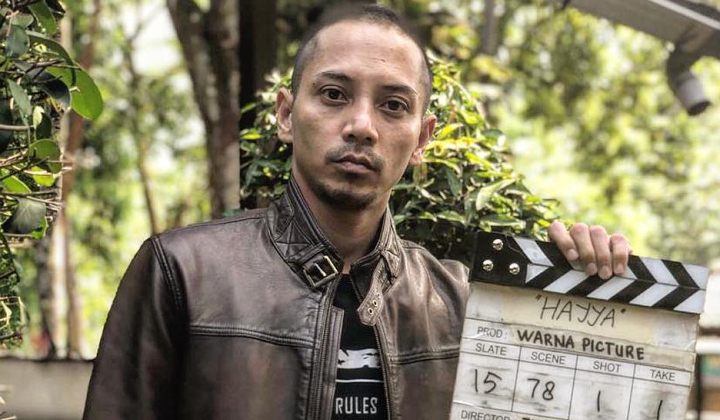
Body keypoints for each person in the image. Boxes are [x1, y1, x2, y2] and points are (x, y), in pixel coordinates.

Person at [83, 4, 630, 419]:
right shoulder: (181, 272)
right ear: (286, 115)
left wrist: (588, 302)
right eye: (334, 94)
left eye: (393, 105)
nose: (362, 126)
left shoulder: (462, 305)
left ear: (421, 139)